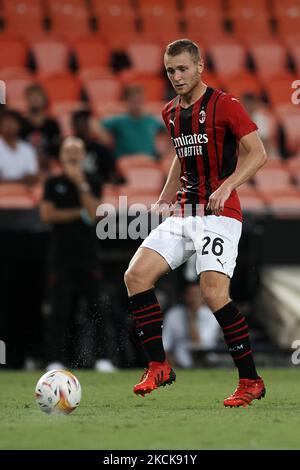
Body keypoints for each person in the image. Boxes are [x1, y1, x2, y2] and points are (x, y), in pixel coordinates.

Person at [124, 39, 267, 407]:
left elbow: (258, 152)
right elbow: (180, 156)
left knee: (213, 294)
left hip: (220, 215)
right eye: (171, 70)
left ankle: (250, 380)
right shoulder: (170, 112)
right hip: (186, 211)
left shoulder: (226, 105)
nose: (177, 77)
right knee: (136, 276)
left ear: (200, 66)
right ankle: (159, 364)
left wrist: (229, 185)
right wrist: (165, 196)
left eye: (183, 68)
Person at [40, 137, 116, 372]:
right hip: (60, 256)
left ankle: (103, 358)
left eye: (77, 150)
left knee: (96, 308)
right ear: (61, 156)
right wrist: (78, 213)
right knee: (59, 310)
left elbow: (93, 214)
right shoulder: (53, 183)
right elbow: (48, 215)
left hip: (87, 255)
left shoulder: (92, 181)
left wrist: (80, 183)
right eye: (68, 150)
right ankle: (54, 359)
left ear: (84, 156)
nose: (73, 154)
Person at [98, 85, 166, 159]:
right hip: (125, 161)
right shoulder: (119, 120)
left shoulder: (151, 120)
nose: (137, 105)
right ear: (127, 102)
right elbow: (97, 125)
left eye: (140, 101)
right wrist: (105, 139)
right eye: (134, 101)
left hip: (148, 161)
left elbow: (171, 130)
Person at [163, 281, 220, 368]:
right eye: (191, 295)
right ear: (184, 296)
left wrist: (192, 318)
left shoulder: (211, 315)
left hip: (206, 364)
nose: (194, 299)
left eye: (197, 295)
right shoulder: (173, 314)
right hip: (178, 365)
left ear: (203, 297)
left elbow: (198, 346)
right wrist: (173, 365)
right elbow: (165, 345)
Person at [71, 109, 118, 183]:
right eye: (81, 121)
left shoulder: (101, 149)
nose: (84, 125)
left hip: (100, 188)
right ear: (74, 125)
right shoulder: (68, 149)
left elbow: (112, 174)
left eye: (86, 121)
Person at [21, 84, 61, 167]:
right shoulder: (20, 124)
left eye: (38, 95)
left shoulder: (52, 124)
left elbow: (57, 149)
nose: (35, 98)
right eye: (32, 96)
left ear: (45, 99)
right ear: (26, 100)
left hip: (48, 165)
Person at [0, 109, 39, 185]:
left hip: (23, 193)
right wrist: (21, 181)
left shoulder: (27, 149)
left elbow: (32, 176)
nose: (9, 125)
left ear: (19, 125)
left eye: (12, 122)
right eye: (5, 122)